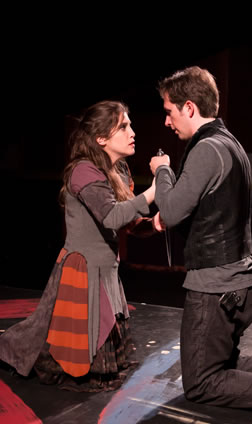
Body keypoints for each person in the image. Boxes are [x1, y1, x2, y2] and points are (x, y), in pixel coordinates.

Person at [149, 66, 252, 416]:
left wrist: (162, 171)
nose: (167, 122)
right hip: (239, 283)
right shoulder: (229, 144)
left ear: (188, 107)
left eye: (169, 111)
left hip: (217, 287)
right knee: (227, 365)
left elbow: (170, 211)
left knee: (202, 381)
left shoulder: (207, 150)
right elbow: (207, 207)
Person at [0, 100, 164, 392]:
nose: (132, 132)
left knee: (45, 331)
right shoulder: (83, 171)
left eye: (130, 124)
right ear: (101, 138)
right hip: (82, 272)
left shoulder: (120, 170)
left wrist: (153, 224)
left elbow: (126, 222)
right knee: (42, 336)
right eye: (123, 126)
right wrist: (153, 191)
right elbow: (111, 215)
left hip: (106, 272)